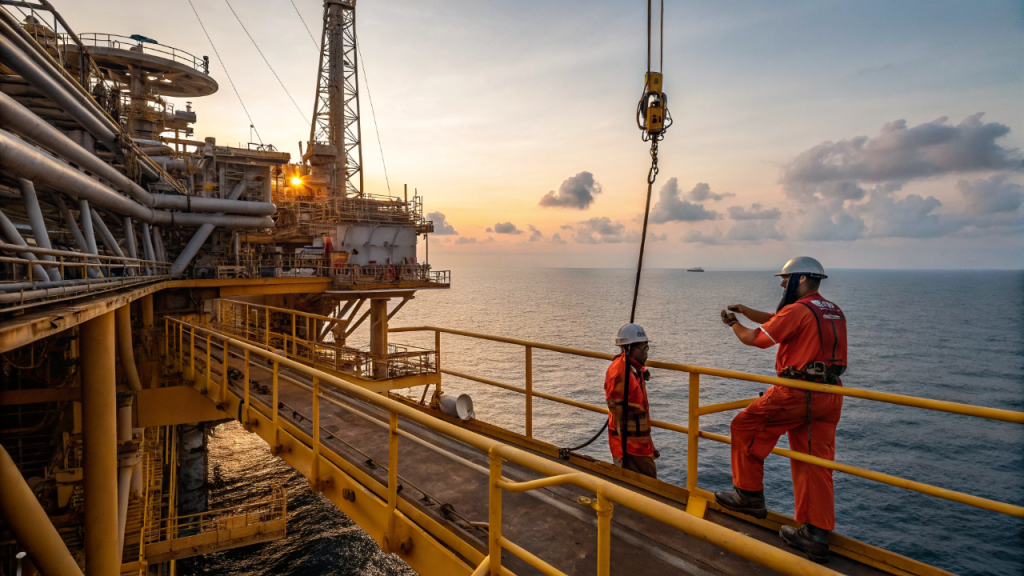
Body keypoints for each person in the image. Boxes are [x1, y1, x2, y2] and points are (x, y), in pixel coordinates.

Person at [714, 256, 847, 563]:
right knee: (814, 462)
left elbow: (755, 339)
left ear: (802, 279)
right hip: (830, 394)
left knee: (744, 426)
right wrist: (747, 311)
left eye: (786, 279)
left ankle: (749, 495)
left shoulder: (798, 310)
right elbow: (778, 320)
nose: (783, 284)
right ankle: (816, 536)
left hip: (798, 391)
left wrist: (733, 323)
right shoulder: (830, 310)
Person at [604, 323, 660, 478]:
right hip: (629, 446)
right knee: (646, 482)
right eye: (643, 348)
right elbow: (623, 403)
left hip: (637, 444)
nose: (646, 353)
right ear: (628, 349)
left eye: (647, 347)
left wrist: (641, 372)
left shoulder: (630, 368)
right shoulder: (621, 375)